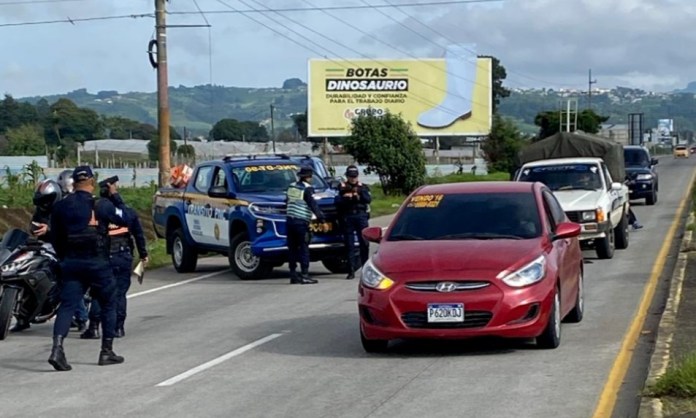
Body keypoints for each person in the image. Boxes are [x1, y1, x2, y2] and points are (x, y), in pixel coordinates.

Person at [47, 165, 129, 371]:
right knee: (109, 302)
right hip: (97, 262)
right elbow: (125, 218)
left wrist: (65, 257)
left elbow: (55, 237)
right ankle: (106, 351)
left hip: (72, 263)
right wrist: (115, 196)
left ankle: (57, 348)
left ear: (73, 183)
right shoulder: (101, 205)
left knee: (67, 305)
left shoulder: (60, 206)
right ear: (92, 182)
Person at [81, 178, 149, 339]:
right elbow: (139, 235)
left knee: (99, 292)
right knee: (119, 293)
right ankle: (118, 328)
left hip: (103, 256)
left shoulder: (95, 211)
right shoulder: (126, 212)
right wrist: (143, 254)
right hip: (123, 255)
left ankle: (94, 327)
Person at [9, 179, 63, 333]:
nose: (44, 204)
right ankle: (23, 317)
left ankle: (79, 316)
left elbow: (67, 230)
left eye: (47, 200)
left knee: (66, 278)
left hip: (61, 246)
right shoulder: (39, 211)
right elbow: (33, 227)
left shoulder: (62, 210)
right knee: (26, 270)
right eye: (41, 201)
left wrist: (50, 230)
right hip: (44, 246)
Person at [285, 166, 325, 285]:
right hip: (301, 222)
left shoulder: (291, 186)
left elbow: (286, 201)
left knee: (292, 249)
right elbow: (313, 205)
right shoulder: (307, 189)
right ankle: (305, 275)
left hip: (290, 221)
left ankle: (293, 274)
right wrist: (322, 219)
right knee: (303, 248)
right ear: (308, 177)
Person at [336, 165, 372, 280]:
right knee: (349, 244)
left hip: (360, 216)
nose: (353, 179)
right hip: (348, 216)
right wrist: (347, 198)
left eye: (355, 176)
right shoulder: (342, 187)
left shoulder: (363, 187)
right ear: (347, 176)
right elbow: (337, 201)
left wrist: (359, 194)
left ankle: (365, 269)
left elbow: (368, 200)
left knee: (364, 243)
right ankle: (351, 270)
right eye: (351, 176)